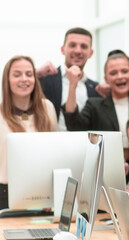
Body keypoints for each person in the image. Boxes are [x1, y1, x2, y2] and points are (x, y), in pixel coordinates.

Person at [63, 50, 129, 162]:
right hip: (107, 167)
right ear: (106, 78)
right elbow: (73, 125)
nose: (120, 76)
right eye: (113, 73)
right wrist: (72, 85)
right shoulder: (94, 106)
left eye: (125, 71)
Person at [0, 56, 58, 210]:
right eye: (17, 74)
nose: (24, 79)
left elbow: (57, 152)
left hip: (43, 191)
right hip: (5, 192)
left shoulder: (48, 108)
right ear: (7, 80)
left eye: (29, 74)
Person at [37, 27, 101, 131]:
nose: (78, 50)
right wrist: (36, 74)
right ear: (63, 49)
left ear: (91, 53)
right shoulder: (44, 80)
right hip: (50, 144)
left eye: (84, 46)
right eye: (72, 45)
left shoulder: (95, 89)